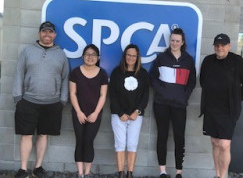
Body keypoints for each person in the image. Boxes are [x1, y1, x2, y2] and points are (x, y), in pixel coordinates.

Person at [12, 21, 69, 178]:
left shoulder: (60, 54)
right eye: (44, 32)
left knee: (44, 135)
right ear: (39, 34)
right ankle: (23, 169)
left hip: (52, 103)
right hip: (28, 101)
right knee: (26, 135)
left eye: (50, 32)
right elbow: (18, 73)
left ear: (54, 35)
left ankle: (38, 167)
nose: (47, 34)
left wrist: (63, 100)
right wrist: (18, 98)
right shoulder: (28, 51)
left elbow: (65, 78)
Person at [200, 33, 243, 178]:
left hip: (229, 110)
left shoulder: (237, 61)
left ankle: (223, 176)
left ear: (229, 46)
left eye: (223, 45)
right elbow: (203, 81)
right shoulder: (208, 61)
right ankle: (217, 174)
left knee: (224, 145)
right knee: (215, 143)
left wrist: (236, 99)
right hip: (211, 108)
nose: (220, 48)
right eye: (217, 45)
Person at [150, 28, 196, 178]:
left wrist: (184, 97)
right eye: (172, 40)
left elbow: (192, 82)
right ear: (169, 41)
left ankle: (178, 172)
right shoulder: (161, 58)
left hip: (179, 105)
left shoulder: (188, 60)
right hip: (161, 104)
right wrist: (161, 91)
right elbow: (153, 78)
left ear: (182, 42)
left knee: (179, 137)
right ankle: (162, 171)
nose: (174, 43)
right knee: (162, 135)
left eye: (177, 41)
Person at [110, 44, 149, 178]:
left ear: (137, 57)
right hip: (118, 115)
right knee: (119, 144)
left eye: (134, 55)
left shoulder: (143, 74)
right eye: (128, 55)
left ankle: (130, 173)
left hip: (135, 116)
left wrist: (137, 111)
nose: (131, 58)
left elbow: (145, 96)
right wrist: (120, 113)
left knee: (132, 144)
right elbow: (112, 95)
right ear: (124, 56)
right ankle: (121, 173)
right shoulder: (116, 72)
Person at [69, 44, 108, 178]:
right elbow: (72, 94)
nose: (90, 57)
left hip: (94, 113)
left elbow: (103, 95)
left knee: (88, 140)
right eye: (87, 54)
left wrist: (96, 113)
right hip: (78, 112)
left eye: (93, 55)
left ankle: (87, 172)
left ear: (97, 58)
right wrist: (79, 112)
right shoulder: (75, 72)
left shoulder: (102, 73)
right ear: (83, 56)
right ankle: (80, 173)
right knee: (79, 140)